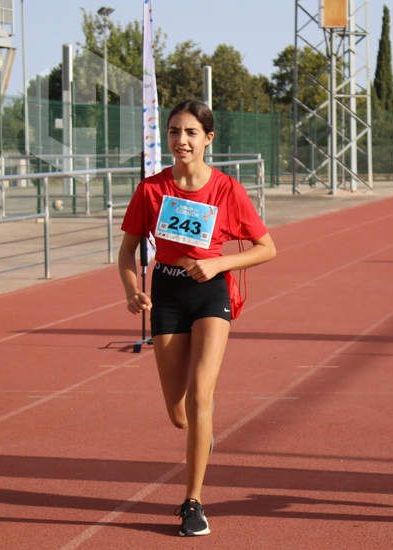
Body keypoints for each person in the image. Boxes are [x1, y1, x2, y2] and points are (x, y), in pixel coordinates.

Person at [118, 100, 276, 536]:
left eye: (190, 132)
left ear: (208, 138)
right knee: (178, 411)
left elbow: (268, 247)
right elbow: (127, 252)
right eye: (173, 132)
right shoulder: (152, 190)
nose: (181, 140)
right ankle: (197, 433)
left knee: (201, 395)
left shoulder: (227, 190)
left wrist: (219, 265)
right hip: (166, 292)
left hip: (210, 291)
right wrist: (133, 290)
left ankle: (193, 503)